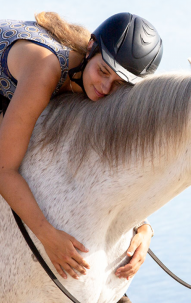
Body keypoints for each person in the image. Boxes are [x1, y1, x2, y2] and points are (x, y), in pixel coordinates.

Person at [0, 12, 163, 301]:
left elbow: (116, 168)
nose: (105, 88)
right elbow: (4, 170)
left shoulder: (105, 86)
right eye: (103, 72)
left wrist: (144, 227)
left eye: (119, 84)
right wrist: (48, 237)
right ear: (90, 49)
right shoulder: (45, 70)